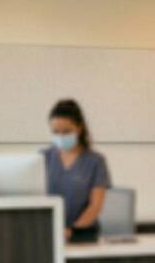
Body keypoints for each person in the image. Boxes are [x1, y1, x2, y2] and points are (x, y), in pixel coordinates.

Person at [43, 99, 110, 242]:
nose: (60, 137)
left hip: (82, 234)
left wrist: (71, 231)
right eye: (55, 132)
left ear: (79, 128)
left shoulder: (96, 161)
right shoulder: (43, 158)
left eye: (66, 131)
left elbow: (95, 206)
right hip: (47, 234)